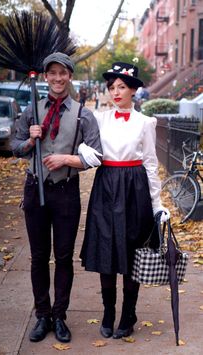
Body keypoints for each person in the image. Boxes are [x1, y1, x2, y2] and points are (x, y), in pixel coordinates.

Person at [12, 52, 102, 343]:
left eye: (63, 73)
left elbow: (96, 157)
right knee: (39, 257)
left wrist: (67, 158)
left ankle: (60, 315)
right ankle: (42, 315)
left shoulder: (82, 113)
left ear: (70, 76)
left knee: (63, 257)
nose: (58, 78)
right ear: (46, 76)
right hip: (34, 187)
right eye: (52, 73)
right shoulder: (32, 110)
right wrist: (29, 139)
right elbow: (14, 146)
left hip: (66, 192)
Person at [79, 61, 170, 340]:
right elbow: (85, 148)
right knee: (106, 250)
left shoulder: (146, 122)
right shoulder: (98, 118)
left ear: (133, 90)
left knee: (132, 253)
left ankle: (128, 315)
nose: (115, 92)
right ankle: (108, 312)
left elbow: (151, 164)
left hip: (135, 189)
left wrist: (157, 205)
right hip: (106, 186)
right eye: (111, 88)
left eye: (121, 87)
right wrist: (83, 148)